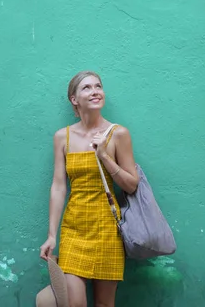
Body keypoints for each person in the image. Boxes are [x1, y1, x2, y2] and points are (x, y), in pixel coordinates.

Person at [39, 70, 140, 307]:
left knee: (105, 304)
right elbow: (58, 186)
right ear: (74, 99)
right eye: (86, 88)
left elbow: (131, 184)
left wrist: (104, 156)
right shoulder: (62, 137)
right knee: (73, 303)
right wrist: (52, 235)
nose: (95, 91)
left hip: (107, 227)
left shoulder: (118, 134)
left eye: (98, 86)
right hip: (74, 228)